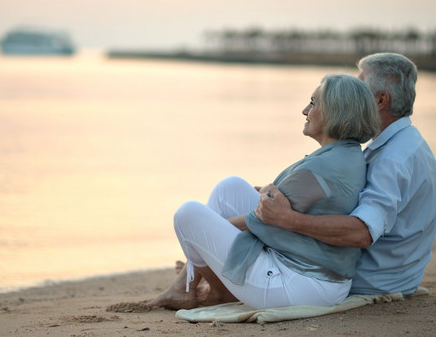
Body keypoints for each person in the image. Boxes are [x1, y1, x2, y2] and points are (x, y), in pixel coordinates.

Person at [149, 74, 381, 310]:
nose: (304, 110)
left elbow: (261, 219)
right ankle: (187, 286)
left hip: (300, 286)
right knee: (229, 188)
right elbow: (277, 207)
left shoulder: (320, 168)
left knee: (188, 215)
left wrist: (203, 235)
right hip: (323, 280)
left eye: (313, 103)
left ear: (334, 111)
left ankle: (217, 291)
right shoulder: (346, 154)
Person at [257, 53, 436, 296]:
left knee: (260, 229)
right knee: (248, 202)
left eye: (359, 85)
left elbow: (362, 232)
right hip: (395, 275)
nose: (348, 91)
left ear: (380, 100)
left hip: (371, 280)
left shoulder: (392, 160)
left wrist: (287, 218)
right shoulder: (407, 142)